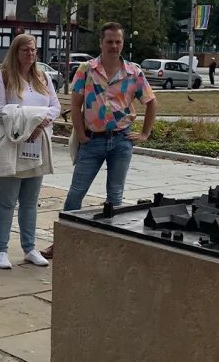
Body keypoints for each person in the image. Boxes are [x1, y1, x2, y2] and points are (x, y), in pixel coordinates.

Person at [41, 22, 157, 259]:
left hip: (121, 140)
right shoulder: (86, 69)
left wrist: (145, 133)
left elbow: (151, 101)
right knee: (76, 193)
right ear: (101, 43)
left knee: (115, 195)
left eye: (118, 42)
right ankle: (64, 242)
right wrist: (81, 134)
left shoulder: (133, 73)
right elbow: (75, 105)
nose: (114, 46)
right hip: (92, 140)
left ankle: (111, 245)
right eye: (109, 41)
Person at [0, 34, 60, 269]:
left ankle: (29, 248)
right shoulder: (2, 76)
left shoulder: (42, 77)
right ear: (16, 52)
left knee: (30, 200)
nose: (31, 54)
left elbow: (55, 106)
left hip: (36, 143)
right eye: (25, 50)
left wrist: (41, 123)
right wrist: (29, 122)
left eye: (33, 50)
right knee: (7, 199)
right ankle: (1, 250)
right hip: (12, 141)